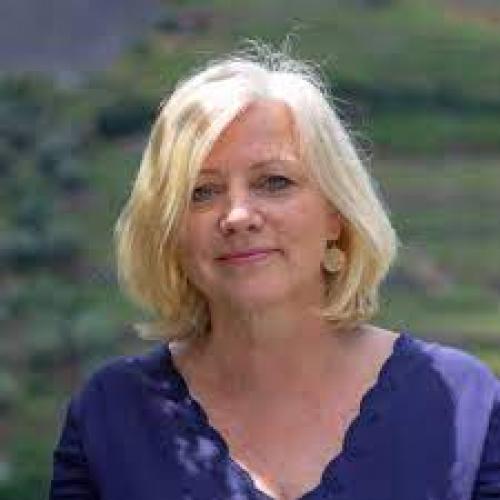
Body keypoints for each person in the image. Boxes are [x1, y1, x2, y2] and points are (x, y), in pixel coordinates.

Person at [50, 43, 500, 499]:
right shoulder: (110, 417)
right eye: (202, 192)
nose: (237, 215)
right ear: (170, 231)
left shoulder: (462, 404)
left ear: (336, 215)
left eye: (274, 182)